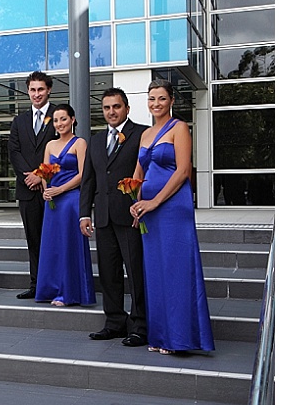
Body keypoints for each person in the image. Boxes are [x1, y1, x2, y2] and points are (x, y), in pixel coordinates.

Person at [132, 79, 215, 355]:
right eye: (151, 98)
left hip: (173, 209)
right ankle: (159, 336)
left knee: (175, 270)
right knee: (155, 272)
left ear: (171, 101)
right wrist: (136, 202)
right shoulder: (145, 135)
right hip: (151, 214)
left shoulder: (179, 128)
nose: (156, 103)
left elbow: (183, 171)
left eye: (161, 99)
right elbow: (137, 176)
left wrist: (154, 201)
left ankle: (180, 338)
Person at [78, 86, 148, 347]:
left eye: (116, 107)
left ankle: (140, 325)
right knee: (109, 273)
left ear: (127, 108)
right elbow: (89, 180)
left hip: (131, 216)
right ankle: (115, 322)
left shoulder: (141, 134)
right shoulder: (96, 140)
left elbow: (146, 173)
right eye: (107, 107)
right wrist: (84, 213)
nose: (111, 112)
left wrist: (141, 204)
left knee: (136, 272)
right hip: (104, 217)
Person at [34, 104, 94, 307]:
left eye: (64, 119)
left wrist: (60, 190)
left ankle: (70, 292)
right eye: (56, 120)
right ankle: (50, 288)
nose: (60, 124)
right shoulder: (50, 144)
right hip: (53, 202)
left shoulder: (80, 143)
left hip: (71, 201)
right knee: (53, 246)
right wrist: (47, 188)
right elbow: (44, 171)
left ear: (73, 119)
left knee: (69, 245)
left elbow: (83, 174)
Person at [8, 71, 57, 298]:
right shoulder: (19, 120)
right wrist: (29, 177)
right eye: (32, 90)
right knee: (33, 239)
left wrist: (42, 176)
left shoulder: (59, 116)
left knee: (54, 238)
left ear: (48, 90)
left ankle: (56, 284)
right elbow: (14, 151)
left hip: (52, 189)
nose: (36, 94)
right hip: (27, 189)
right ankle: (36, 284)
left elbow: (62, 148)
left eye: (41, 89)